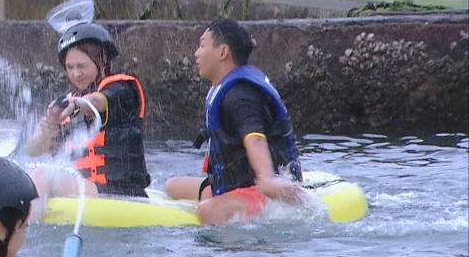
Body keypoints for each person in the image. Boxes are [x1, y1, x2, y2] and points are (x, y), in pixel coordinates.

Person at [164, 18, 305, 224]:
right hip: (234, 185)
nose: (196, 53)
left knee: (208, 211)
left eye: (202, 45)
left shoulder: (240, 96)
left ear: (223, 52)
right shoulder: (226, 89)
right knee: (172, 185)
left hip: (263, 189)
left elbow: (256, 139)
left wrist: (266, 181)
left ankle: (232, 249)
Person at [25, 22, 151, 218]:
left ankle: (25, 234)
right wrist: (46, 131)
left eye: (82, 66)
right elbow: (32, 150)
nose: (76, 73)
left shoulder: (122, 89)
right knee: (29, 176)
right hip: (89, 190)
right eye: (70, 67)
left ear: (103, 60)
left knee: (43, 175)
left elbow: (95, 102)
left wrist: (75, 106)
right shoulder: (67, 104)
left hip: (121, 193)